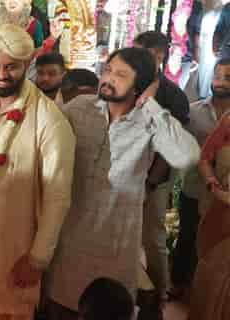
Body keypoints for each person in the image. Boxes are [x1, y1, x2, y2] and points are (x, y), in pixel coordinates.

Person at [46, 47, 200, 320]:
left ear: (139, 86)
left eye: (120, 75)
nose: (108, 78)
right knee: (60, 309)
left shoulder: (149, 122)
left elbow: (187, 156)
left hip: (115, 248)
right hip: (69, 244)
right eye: (107, 70)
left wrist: (150, 104)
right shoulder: (80, 109)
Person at [0, 24, 76, 320]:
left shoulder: (50, 120)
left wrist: (38, 258)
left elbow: (57, 197)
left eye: (12, 67)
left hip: (16, 248)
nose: (2, 74)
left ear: (28, 64)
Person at [133, 31, 190, 309]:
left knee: (152, 236)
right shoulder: (126, 84)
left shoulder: (174, 96)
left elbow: (169, 149)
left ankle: (159, 290)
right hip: (123, 173)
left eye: (145, 56)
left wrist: (150, 184)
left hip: (155, 177)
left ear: (158, 56)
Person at [171, 58, 230, 300]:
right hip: (196, 188)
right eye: (218, 76)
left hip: (223, 201)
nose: (221, 82)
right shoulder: (194, 112)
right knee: (188, 237)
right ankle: (179, 284)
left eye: (228, 78)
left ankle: (206, 292)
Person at [189, 58, 230, 320]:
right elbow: (205, 158)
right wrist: (215, 187)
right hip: (221, 207)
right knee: (213, 271)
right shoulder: (228, 122)